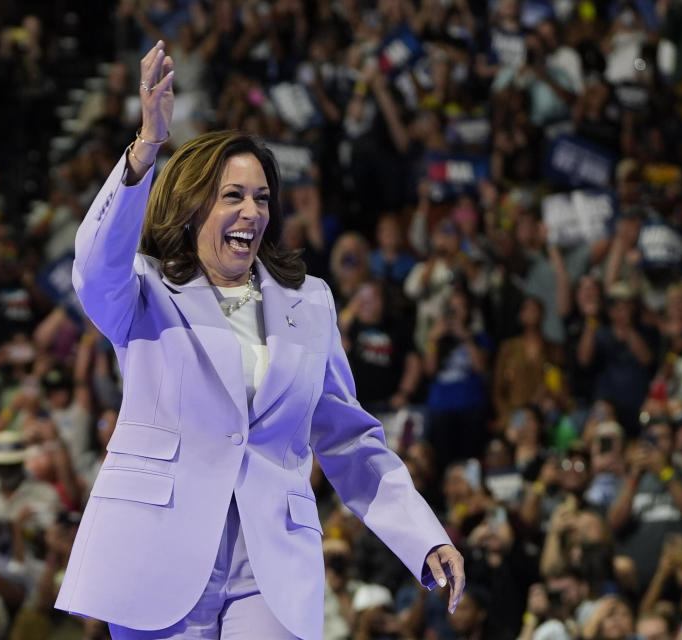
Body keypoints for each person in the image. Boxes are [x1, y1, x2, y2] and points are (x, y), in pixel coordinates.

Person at [54, 41, 465, 640]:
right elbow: (93, 266)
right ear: (194, 207)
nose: (252, 211)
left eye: (262, 198)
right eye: (233, 196)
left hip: (270, 558)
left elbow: (349, 437)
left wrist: (422, 535)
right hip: (159, 549)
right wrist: (146, 149)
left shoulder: (311, 303)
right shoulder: (144, 291)